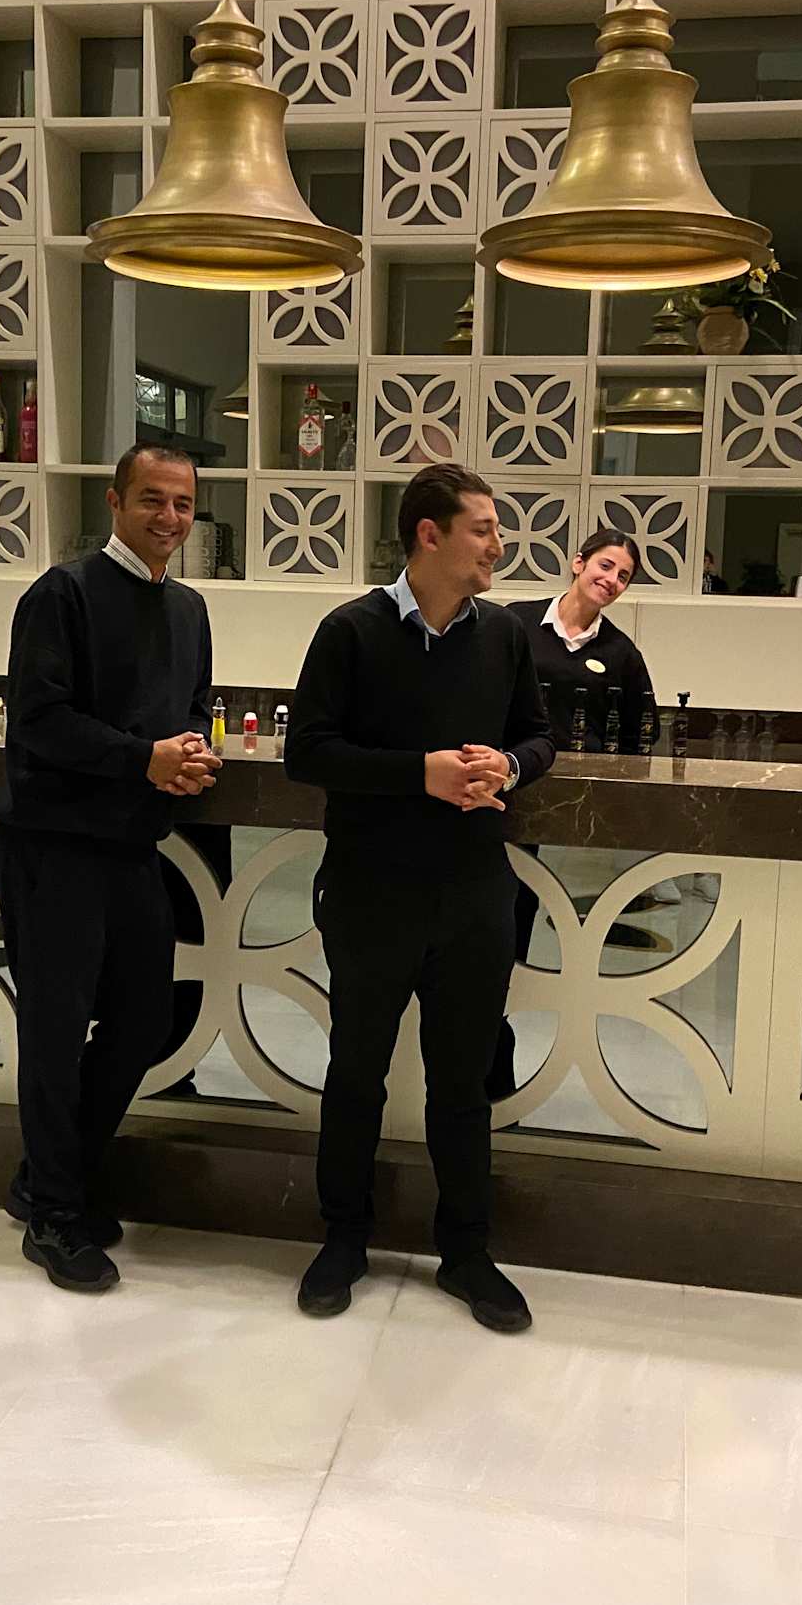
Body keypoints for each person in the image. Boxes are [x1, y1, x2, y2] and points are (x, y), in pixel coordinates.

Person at [284, 462, 555, 1333]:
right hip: (371, 890)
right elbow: (308, 753)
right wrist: (421, 774)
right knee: (355, 1073)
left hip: (475, 893)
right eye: (484, 529)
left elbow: (540, 736)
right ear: (428, 535)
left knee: (463, 1083)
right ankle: (343, 1239)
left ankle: (467, 1252)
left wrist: (510, 765)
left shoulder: (504, 635)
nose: (498, 545)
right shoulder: (350, 632)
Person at [0, 443, 221, 1294]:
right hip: (52, 846)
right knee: (55, 1037)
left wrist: (186, 757)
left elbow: (190, 708)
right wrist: (142, 760)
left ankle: (51, 1177)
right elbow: (38, 720)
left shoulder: (189, 608)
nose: (170, 517)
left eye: (183, 504)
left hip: (131, 848)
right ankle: (54, 1215)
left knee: (142, 1022)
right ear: (116, 503)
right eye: (152, 499)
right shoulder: (64, 594)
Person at [488, 528, 657, 1102]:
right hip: (500, 790)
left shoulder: (622, 654)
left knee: (520, 915)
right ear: (578, 563)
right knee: (486, 914)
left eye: (623, 576)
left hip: (567, 813)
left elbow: (640, 736)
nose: (611, 580)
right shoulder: (514, 623)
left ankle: (495, 1061)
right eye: (605, 566)